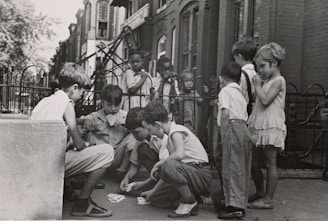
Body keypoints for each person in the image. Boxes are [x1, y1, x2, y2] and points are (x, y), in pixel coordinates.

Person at [30, 63, 113, 217]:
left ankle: (67, 191)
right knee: (107, 152)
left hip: (34, 162)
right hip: (50, 166)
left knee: (66, 145)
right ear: (75, 87)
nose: (82, 95)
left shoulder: (46, 101)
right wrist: (90, 144)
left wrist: (80, 122)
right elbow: (79, 144)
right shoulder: (67, 104)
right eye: (82, 91)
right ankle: (82, 203)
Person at [141, 102, 212, 218]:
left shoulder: (176, 131)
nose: (150, 133)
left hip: (201, 173)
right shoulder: (170, 138)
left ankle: (189, 201)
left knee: (167, 164)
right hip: (190, 173)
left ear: (157, 125)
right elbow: (168, 174)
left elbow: (179, 155)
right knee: (157, 199)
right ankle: (195, 200)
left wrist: (159, 163)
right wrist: (153, 192)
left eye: (149, 129)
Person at [247, 42, 287, 209]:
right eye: (258, 67)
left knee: (270, 163)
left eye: (262, 66)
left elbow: (265, 100)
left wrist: (257, 85)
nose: (260, 70)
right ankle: (260, 192)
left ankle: (268, 199)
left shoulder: (279, 80)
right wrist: (258, 85)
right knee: (254, 163)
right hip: (259, 124)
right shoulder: (265, 80)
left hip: (271, 125)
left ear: (275, 63)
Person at [215, 61, 252, 219]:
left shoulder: (225, 91)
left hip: (232, 127)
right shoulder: (240, 93)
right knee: (241, 168)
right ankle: (238, 202)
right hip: (244, 129)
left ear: (221, 78)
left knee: (230, 166)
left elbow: (225, 113)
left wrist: (223, 136)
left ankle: (234, 207)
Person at [78, 84, 137, 176]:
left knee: (134, 135)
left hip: (117, 156)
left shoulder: (125, 116)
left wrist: (128, 125)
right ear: (102, 102)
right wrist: (85, 120)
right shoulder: (95, 116)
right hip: (99, 158)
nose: (113, 109)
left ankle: (122, 170)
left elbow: (141, 127)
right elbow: (75, 122)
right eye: (109, 105)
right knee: (86, 133)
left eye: (117, 105)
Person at [120, 107, 168, 193]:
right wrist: (126, 178)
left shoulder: (161, 137)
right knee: (142, 149)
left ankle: (155, 184)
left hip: (168, 170)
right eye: (132, 133)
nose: (134, 136)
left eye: (136, 132)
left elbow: (164, 168)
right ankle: (154, 181)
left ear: (145, 125)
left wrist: (144, 184)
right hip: (159, 170)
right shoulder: (140, 140)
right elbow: (135, 164)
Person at [232, 39, 257, 115]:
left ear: (239, 56)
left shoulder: (241, 75)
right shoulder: (256, 74)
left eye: (235, 57)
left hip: (242, 113)